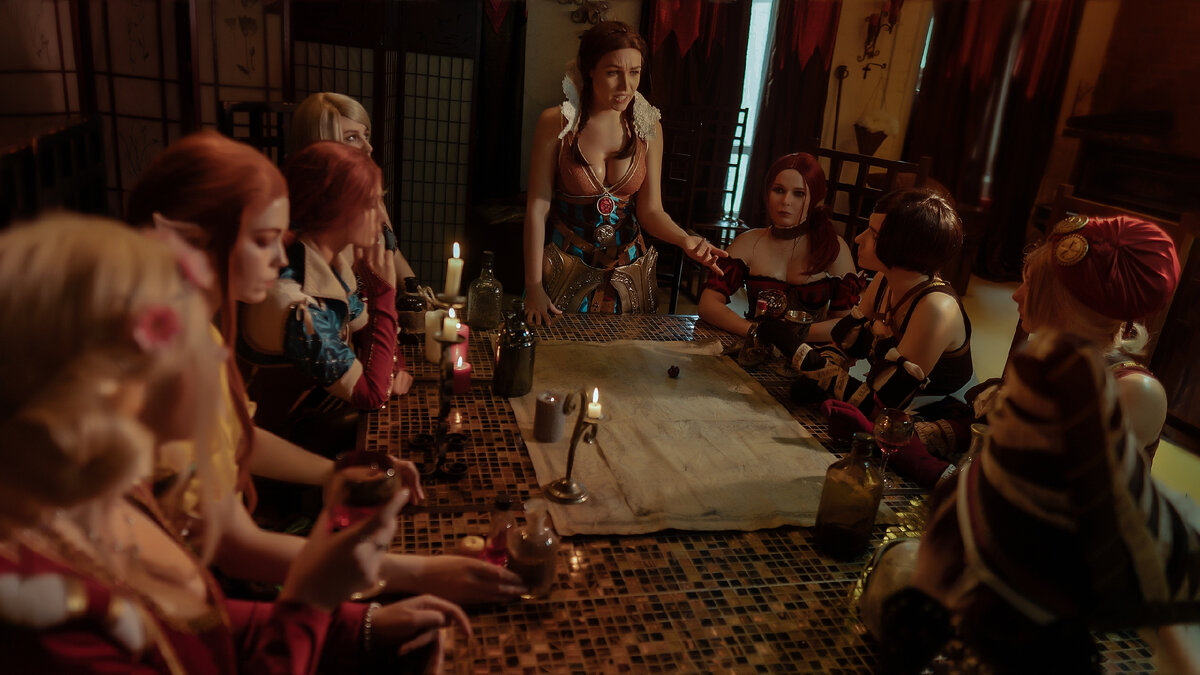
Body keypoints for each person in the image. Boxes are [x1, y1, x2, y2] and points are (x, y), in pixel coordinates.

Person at [0, 215, 469, 672]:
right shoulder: (42, 616)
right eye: (185, 332)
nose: (218, 351)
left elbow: (207, 628)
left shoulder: (116, 493)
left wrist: (364, 625)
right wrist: (312, 598)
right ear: (109, 380)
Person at [131, 132, 524, 605]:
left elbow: (238, 438)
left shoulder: (203, 336)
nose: (281, 257)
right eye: (264, 240)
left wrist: (339, 473)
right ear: (194, 244)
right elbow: (236, 547)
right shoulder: (183, 360)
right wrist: (415, 572)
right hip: (205, 586)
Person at [872, 214, 1181, 489]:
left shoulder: (1135, 391)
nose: (1016, 295)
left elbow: (1056, 503)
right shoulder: (1050, 358)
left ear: (1066, 303)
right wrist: (918, 436)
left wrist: (929, 469)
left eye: (1030, 285)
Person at [522, 20, 727, 324]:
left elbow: (651, 211)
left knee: (626, 353)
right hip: (564, 266)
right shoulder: (557, 123)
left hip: (628, 274)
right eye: (613, 72)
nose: (626, 86)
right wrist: (533, 286)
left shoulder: (647, 128)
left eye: (634, 72)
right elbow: (537, 208)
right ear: (590, 69)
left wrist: (685, 240)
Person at [238, 140, 411, 450]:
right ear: (336, 209)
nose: (381, 217)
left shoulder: (323, 260)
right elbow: (371, 395)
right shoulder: (297, 304)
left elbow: (367, 327)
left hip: (316, 419)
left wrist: (394, 366)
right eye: (371, 203)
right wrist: (384, 294)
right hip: (280, 444)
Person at [759, 188, 974, 422]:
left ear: (903, 247)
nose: (858, 239)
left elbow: (880, 405)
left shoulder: (936, 308)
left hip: (932, 418)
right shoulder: (884, 281)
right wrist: (818, 373)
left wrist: (800, 352)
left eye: (874, 235)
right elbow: (844, 346)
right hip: (888, 409)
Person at [698, 152, 863, 339]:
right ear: (767, 193)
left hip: (808, 350)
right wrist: (754, 331)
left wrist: (791, 337)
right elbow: (708, 305)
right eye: (778, 190)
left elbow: (847, 324)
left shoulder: (833, 246)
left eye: (799, 193)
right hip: (756, 344)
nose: (786, 201)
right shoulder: (748, 242)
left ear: (814, 199)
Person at [291, 91, 417, 287]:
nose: (368, 147)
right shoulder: (310, 216)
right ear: (322, 143)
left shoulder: (370, 193)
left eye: (366, 135)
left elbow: (393, 254)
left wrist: (416, 292)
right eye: (351, 138)